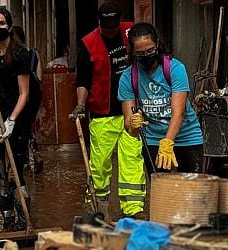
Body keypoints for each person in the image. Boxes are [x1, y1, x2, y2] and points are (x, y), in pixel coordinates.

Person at [71, 2, 145, 220]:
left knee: (132, 160)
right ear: (99, 22)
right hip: (103, 113)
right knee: (99, 166)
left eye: (114, 25)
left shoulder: (131, 32)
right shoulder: (88, 43)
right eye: (106, 26)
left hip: (132, 110)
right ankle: (98, 211)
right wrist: (81, 104)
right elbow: (83, 79)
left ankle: (133, 213)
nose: (111, 30)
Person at [118, 22, 204, 174]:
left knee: (191, 190)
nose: (146, 55)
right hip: (152, 139)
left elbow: (178, 112)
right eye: (140, 53)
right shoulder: (128, 77)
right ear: (132, 52)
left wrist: (168, 142)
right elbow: (128, 122)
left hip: (187, 136)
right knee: (161, 190)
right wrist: (132, 124)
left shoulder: (175, 69)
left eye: (150, 50)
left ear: (157, 44)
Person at [0, 7, 32, 232]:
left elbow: (25, 93)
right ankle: (7, 220)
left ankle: (24, 217)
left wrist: (12, 121)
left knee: (17, 171)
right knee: (1, 171)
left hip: (17, 120)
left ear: (10, 26)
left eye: (1, 23)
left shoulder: (21, 54)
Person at [11, 25, 44, 175]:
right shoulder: (34, 53)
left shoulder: (13, 54)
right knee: (29, 124)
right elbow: (39, 77)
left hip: (20, 94)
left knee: (20, 127)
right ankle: (35, 153)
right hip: (35, 93)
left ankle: (24, 161)